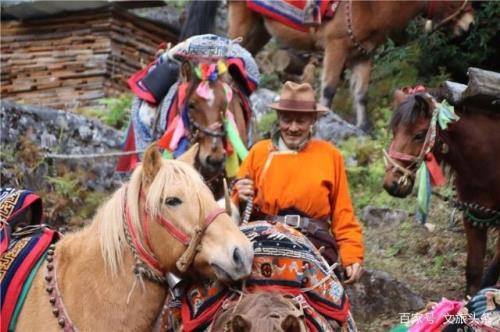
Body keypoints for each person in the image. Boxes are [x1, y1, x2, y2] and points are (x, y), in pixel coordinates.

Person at [232, 81, 364, 284]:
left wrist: (352, 254)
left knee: (329, 306)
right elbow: (234, 211)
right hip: (264, 239)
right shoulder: (259, 152)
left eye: (301, 121)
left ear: (313, 120)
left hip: (314, 242)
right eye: (287, 119)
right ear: (278, 119)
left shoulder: (330, 155)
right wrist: (238, 197)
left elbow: (343, 213)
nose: (293, 128)